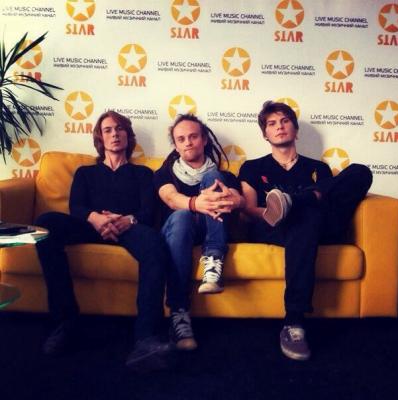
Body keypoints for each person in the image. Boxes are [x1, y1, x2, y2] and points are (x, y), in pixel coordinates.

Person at [35, 111, 172, 372]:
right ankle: (66, 322)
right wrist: (96, 218)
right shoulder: (86, 172)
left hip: (129, 228)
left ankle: (145, 338)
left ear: (128, 136)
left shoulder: (143, 174)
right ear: (100, 138)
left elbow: (148, 212)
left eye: (120, 129)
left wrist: (127, 220)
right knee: (46, 223)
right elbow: (76, 207)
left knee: (155, 243)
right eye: (108, 130)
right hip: (90, 226)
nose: (114, 134)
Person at [239, 101, 372, 361]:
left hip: (318, 226)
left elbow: (328, 203)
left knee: (360, 172)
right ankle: (294, 321)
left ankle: (294, 201)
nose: (279, 127)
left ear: (296, 130)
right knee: (305, 217)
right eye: (272, 124)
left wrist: (294, 204)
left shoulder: (318, 168)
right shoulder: (253, 167)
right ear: (265, 134)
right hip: (272, 227)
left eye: (285, 121)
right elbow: (248, 210)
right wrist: (280, 213)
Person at [154, 114, 244, 351]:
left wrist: (230, 199)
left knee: (213, 177)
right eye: (181, 139)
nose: (187, 142)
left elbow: (240, 199)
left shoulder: (224, 176)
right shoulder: (164, 173)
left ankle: (213, 260)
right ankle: (179, 313)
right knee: (183, 215)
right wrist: (196, 203)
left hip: (212, 228)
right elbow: (171, 198)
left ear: (204, 139)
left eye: (193, 136)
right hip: (178, 231)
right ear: (175, 145)